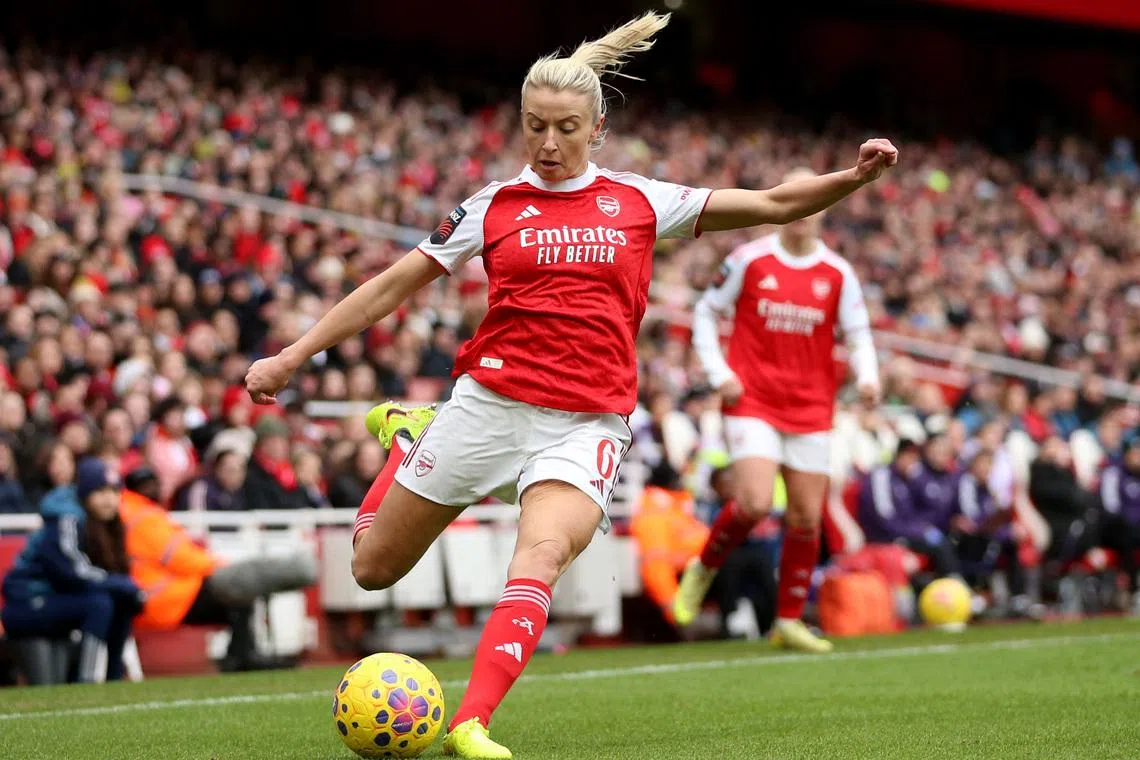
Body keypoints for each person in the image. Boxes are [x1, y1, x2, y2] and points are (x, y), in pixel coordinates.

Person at [244, 12, 897, 757]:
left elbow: (775, 203)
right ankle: (408, 437)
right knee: (372, 569)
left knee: (541, 555)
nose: (548, 144)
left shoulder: (642, 202)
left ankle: (471, 722)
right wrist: (294, 356)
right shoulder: (492, 207)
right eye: (534, 127)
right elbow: (390, 287)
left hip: (584, 424)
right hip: (486, 406)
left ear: (598, 129)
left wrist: (851, 178)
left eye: (565, 128)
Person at [673, 166, 882, 653]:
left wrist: (869, 377)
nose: (805, 210)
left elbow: (859, 335)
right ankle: (702, 569)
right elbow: (706, 312)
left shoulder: (838, 273)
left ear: (825, 207)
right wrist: (719, 371)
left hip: (810, 406)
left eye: (815, 200)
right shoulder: (750, 259)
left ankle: (787, 621)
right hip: (754, 400)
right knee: (755, 502)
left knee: (807, 516)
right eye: (795, 197)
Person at [117, 467, 317, 671]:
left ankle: (240, 654)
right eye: (149, 485)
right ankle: (242, 656)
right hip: (167, 598)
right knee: (237, 590)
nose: (155, 488)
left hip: (160, 595)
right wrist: (218, 565)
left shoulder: (133, 512)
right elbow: (182, 558)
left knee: (240, 594)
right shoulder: (144, 517)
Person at [0, 458, 142, 683]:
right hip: (27, 602)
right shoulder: (66, 518)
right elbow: (71, 571)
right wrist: (120, 583)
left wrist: (127, 588)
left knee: (123, 599)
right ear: (85, 493)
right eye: (101, 491)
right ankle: (88, 680)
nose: (109, 499)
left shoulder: (109, 525)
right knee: (100, 603)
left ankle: (114, 677)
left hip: (60, 600)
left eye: (114, 491)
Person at [856, 439, 961, 578]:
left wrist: (922, 528)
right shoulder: (881, 475)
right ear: (900, 455)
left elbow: (911, 515)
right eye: (910, 456)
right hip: (883, 537)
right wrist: (917, 531)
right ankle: (956, 583)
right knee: (939, 544)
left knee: (944, 539)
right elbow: (884, 518)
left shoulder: (904, 479)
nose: (913, 463)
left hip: (902, 532)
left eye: (915, 458)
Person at [949, 449, 1036, 618]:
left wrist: (1008, 528)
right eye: (982, 464)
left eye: (989, 465)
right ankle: (977, 593)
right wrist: (1000, 526)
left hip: (988, 533)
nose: (985, 469)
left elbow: (998, 514)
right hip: (967, 537)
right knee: (985, 543)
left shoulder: (991, 487)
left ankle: (1018, 597)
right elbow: (972, 518)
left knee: (1013, 542)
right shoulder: (966, 484)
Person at [1096, 436, 1140, 614]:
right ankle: (1132, 589)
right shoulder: (1114, 473)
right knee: (1128, 534)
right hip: (1116, 529)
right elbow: (1110, 506)